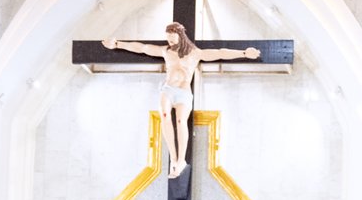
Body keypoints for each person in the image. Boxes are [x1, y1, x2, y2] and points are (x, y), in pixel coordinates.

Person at [103, 22, 261, 178]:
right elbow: (143, 48)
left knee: (180, 122)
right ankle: (173, 156)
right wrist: (117, 44)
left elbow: (220, 52)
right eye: (168, 39)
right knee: (164, 115)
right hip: (168, 89)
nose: (169, 42)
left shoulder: (195, 53)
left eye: (172, 39)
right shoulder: (165, 51)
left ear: (180, 36)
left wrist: (244, 53)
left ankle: (181, 160)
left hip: (184, 92)